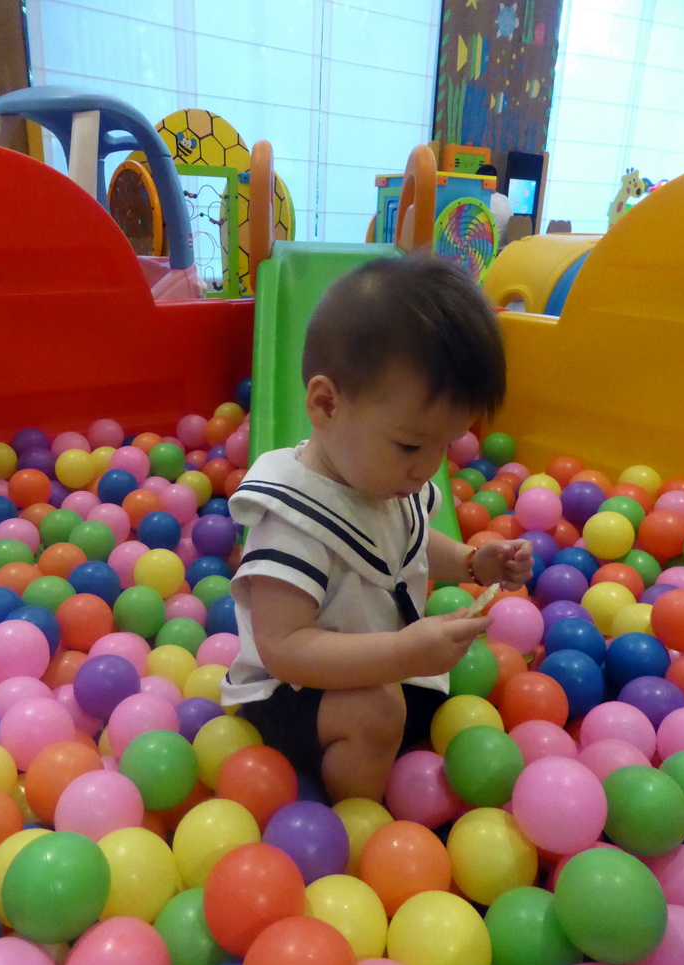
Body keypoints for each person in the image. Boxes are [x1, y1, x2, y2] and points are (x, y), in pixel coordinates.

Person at [221, 256, 533, 803]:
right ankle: (356, 820)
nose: (427, 467)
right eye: (411, 445)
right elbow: (284, 649)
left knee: (425, 697)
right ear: (325, 404)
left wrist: (469, 562)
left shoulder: (380, 480)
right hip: (291, 693)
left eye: (446, 445)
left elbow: (405, 544)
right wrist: (402, 654)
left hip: (374, 666)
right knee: (378, 711)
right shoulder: (293, 520)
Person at [478, 163, 514, 247]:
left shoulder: (483, 202)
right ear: (497, 182)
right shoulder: (505, 198)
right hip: (504, 250)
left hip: (488, 252)